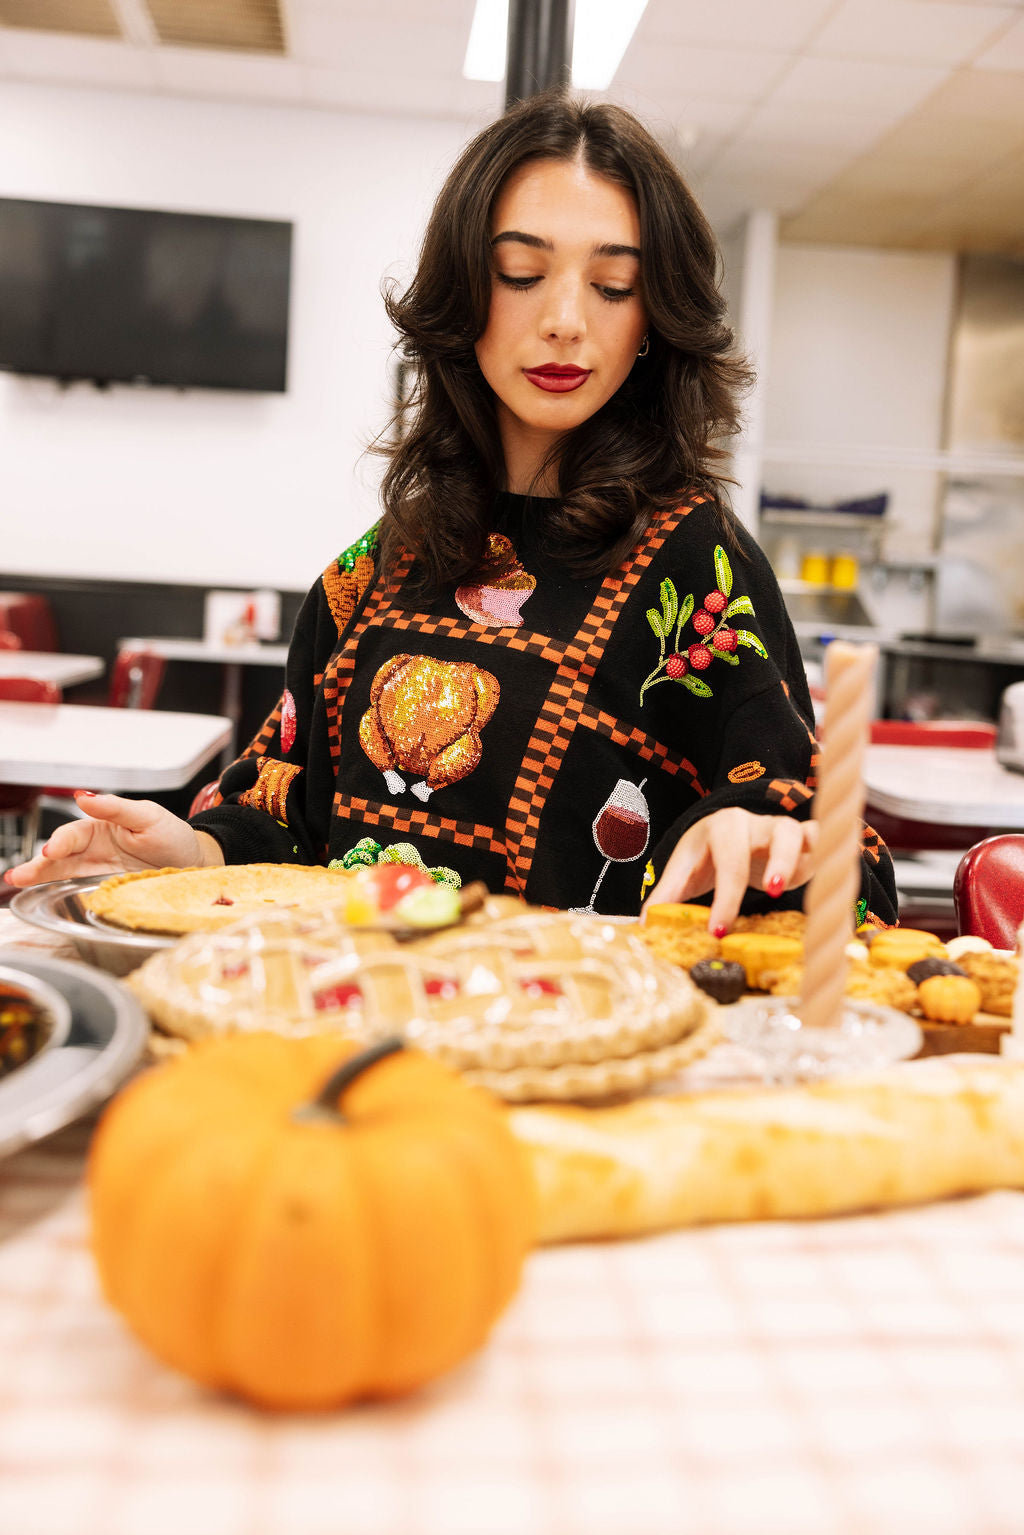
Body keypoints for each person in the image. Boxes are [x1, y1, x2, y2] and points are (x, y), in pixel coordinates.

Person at [5, 92, 897, 934]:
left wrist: (765, 840)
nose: (563, 320)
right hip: (354, 1051)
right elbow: (285, 820)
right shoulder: (374, 573)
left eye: (613, 287)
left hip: (580, 1071)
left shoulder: (695, 567)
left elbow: (836, 856)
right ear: (465, 291)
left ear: (655, 322)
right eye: (522, 273)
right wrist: (190, 853)